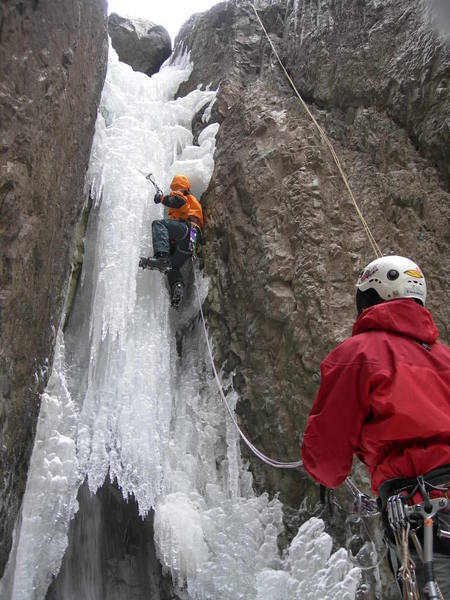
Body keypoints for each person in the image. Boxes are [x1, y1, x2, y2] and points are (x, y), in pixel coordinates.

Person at [301, 255, 450, 598]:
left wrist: (322, 473)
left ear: (370, 298)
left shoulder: (357, 355)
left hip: (421, 508)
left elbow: (326, 457)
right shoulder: (445, 357)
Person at [139, 174, 203, 307]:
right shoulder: (193, 202)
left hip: (188, 230)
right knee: (172, 268)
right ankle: (177, 287)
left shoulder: (182, 194)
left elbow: (178, 201)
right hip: (191, 243)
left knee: (158, 224)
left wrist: (162, 198)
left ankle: (162, 256)